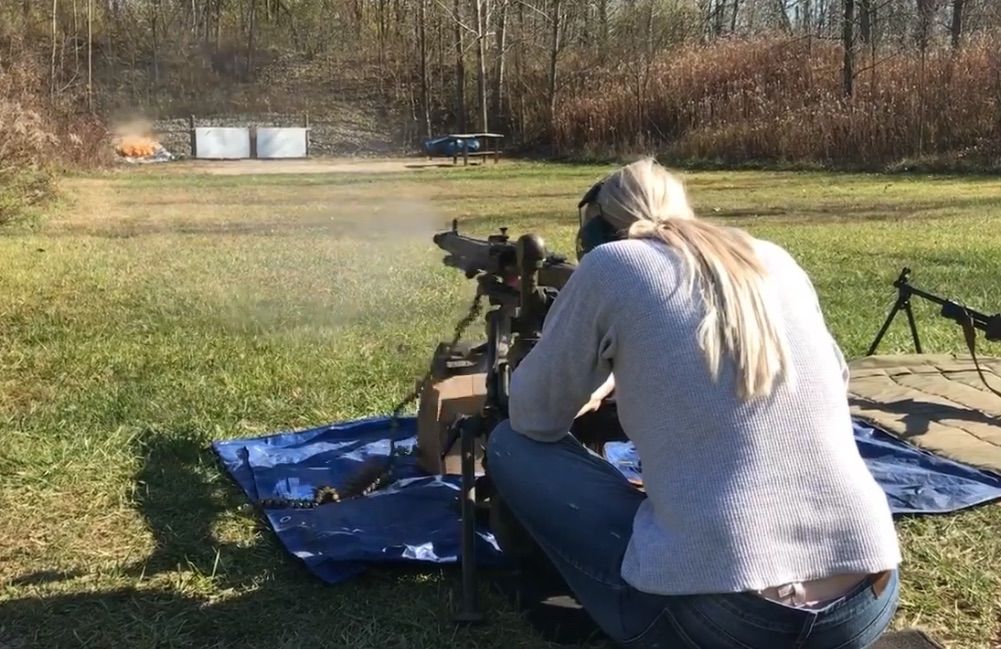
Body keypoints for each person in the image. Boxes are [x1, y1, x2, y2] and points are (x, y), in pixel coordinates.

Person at [485, 158, 902, 649]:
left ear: (598, 230)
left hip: (722, 622)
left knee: (510, 444)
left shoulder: (612, 263)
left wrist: (597, 383)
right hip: (863, 604)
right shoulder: (772, 256)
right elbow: (832, 377)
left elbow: (534, 416)